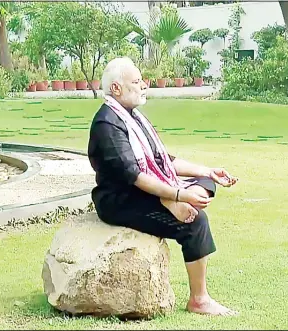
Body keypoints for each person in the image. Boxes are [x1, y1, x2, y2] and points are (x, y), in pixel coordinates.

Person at [87, 57, 239, 316]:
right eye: (136, 82)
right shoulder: (107, 124)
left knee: (205, 182)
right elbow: (134, 176)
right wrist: (178, 194)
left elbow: (162, 161)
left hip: (144, 189)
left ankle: (172, 200)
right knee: (195, 221)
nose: (143, 85)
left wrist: (207, 171)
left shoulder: (132, 117)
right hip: (120, 200)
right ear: (116, 89)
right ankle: (199, 300)